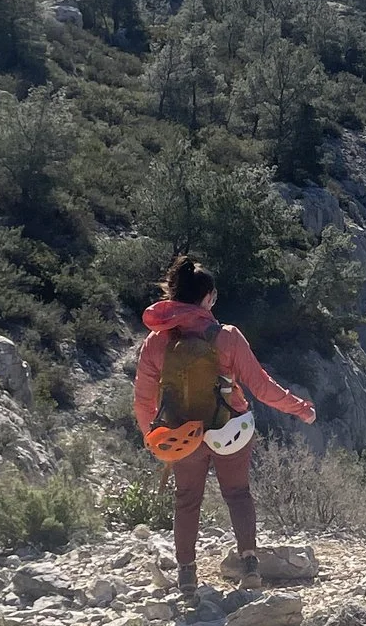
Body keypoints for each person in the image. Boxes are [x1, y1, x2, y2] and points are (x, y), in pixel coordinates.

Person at [131, 254, 316, 599]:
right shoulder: (227, 336)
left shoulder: (156, 343)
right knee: (238, 494)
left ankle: (187, 575)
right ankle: (249, 566)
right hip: (229, 428)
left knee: (186, 500)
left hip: (182, 434)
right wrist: (301, 409)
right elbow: (261, 387)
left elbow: (143, 401)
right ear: (208, 297)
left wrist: (153, 438)